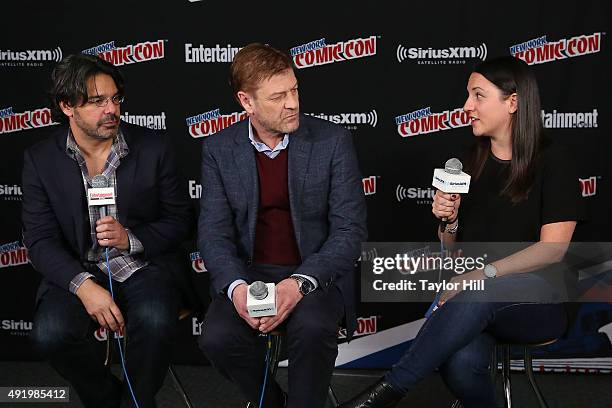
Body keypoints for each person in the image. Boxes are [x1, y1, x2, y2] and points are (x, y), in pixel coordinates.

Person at [339, 56, 584, 408]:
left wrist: (480, 275)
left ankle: (385, 393)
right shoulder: (469, 161)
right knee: (461, 365)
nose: (467, 106)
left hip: (540, 299)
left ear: (512, 102)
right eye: (468, 96)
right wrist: (449, 221)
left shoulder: (555, 160)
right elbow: (452, 250)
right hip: (475, 301)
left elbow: (553, 250)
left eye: (478, 96)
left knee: (478, 291)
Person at [197, 43, 367, 408]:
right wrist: (237, 289)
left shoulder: (332, 141)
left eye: (294, 90)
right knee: (217, 338)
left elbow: (349, 231)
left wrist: (300, 283)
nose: (292, 103)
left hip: (314, 272)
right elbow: (213, 234)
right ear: (247, 102)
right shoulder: (218, 149)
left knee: (313, 328)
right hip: (250, 274)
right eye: (278, 97)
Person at [23, 54, 193, 408]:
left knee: (155, 320)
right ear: (67, 106)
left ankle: (137, 402)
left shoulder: (154, 148)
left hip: (142, 265)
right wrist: (84, 287)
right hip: (78, 269)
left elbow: (181, 221)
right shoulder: (41, 159)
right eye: (98, 102)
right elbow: (39, 240)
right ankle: (106, 398)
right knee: (51, 335)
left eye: (115, 99)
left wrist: (131, 238)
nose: (112, 109)